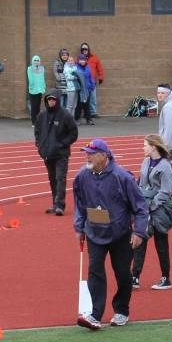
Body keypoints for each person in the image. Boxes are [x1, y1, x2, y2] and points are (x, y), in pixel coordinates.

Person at [73, 138, 148, 329]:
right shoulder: (82, 176)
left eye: (91, 154)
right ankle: (95, 315)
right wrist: (79, 227)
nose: (87, 157)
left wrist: (139, 231)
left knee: (122, 273)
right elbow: (79, 203)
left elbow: (140, 207)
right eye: (86, 153)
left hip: (120, 233)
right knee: (95, 270)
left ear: (104, 155)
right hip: (94, 232)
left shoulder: (122, 177)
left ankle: (121, 311)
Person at [131, 135, 172, 291]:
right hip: (145, 207)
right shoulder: (145, 162)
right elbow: (141, 183)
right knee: (140, 239)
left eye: (145, 145)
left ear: (153, 147)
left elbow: (167, 190)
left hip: (160, 208)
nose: (143, 147)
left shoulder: (165, 165)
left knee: (161, 242)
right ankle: (135, 276)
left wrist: (152, 204)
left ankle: (166, 278)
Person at [34, 89, 78, 216]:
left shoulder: (65, 115)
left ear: (58, 100)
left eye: (53, 99)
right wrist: (39, 144)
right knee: (52, 178)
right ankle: (55, 203)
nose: (51, 101)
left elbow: (73, 133)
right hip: (47, 153)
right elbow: (37, 131)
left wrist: (62, 144)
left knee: (60, 178)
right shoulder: (42, 116)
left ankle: (60, 205)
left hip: (61, 153)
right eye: (49, 99)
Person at [78, 43, 104, 117]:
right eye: (83, 49)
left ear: (88, 49)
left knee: (93, 98)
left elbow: (100, 68)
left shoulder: (94, 57)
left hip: (92, 82)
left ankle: (93, 112)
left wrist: (101, 77)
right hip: (83, 82)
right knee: (84, 98)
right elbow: (76, 67)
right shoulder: (79, 58)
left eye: (86, 49)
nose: (84, 50)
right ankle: (86, 113)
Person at [72, 55, 94, 125]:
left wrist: (92, 85)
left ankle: (89, 119)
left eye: (83, 60)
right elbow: (75, 78)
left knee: (87, 104)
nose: (82, 61)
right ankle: (76, 119)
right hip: (81, 89)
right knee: (79, 105)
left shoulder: (88, 67)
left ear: (85, 60)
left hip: (87, 88)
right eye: (81, 60)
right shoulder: (76, 67)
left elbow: (90, 77)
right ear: (79, 61)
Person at [27, 55, 46, 123]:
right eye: (35, 60)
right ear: (32, 61)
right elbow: (30, 78)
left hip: (40, 90)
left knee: (38, 106)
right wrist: (31, 86)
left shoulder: (42, 68)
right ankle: (33, 121)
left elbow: (42, 78)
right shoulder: (29, 68)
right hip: (32, 90)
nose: (36, 62)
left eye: (37, 60)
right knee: (33, 106)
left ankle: (37, 121)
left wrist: (44, 86)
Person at [59, 50, 78, 115]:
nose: (70, 61)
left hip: (76, 88)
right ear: (67, 61)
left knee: (74, 106)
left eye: (72, 60)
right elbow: (68, 77)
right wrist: (75, 77)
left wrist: (76, 76)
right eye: (69, 60)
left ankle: (72, 119)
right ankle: (67, 119)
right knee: (69, 106)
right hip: (70, 89)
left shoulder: (75, 68)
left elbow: (78, 75)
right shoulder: (66, 68)